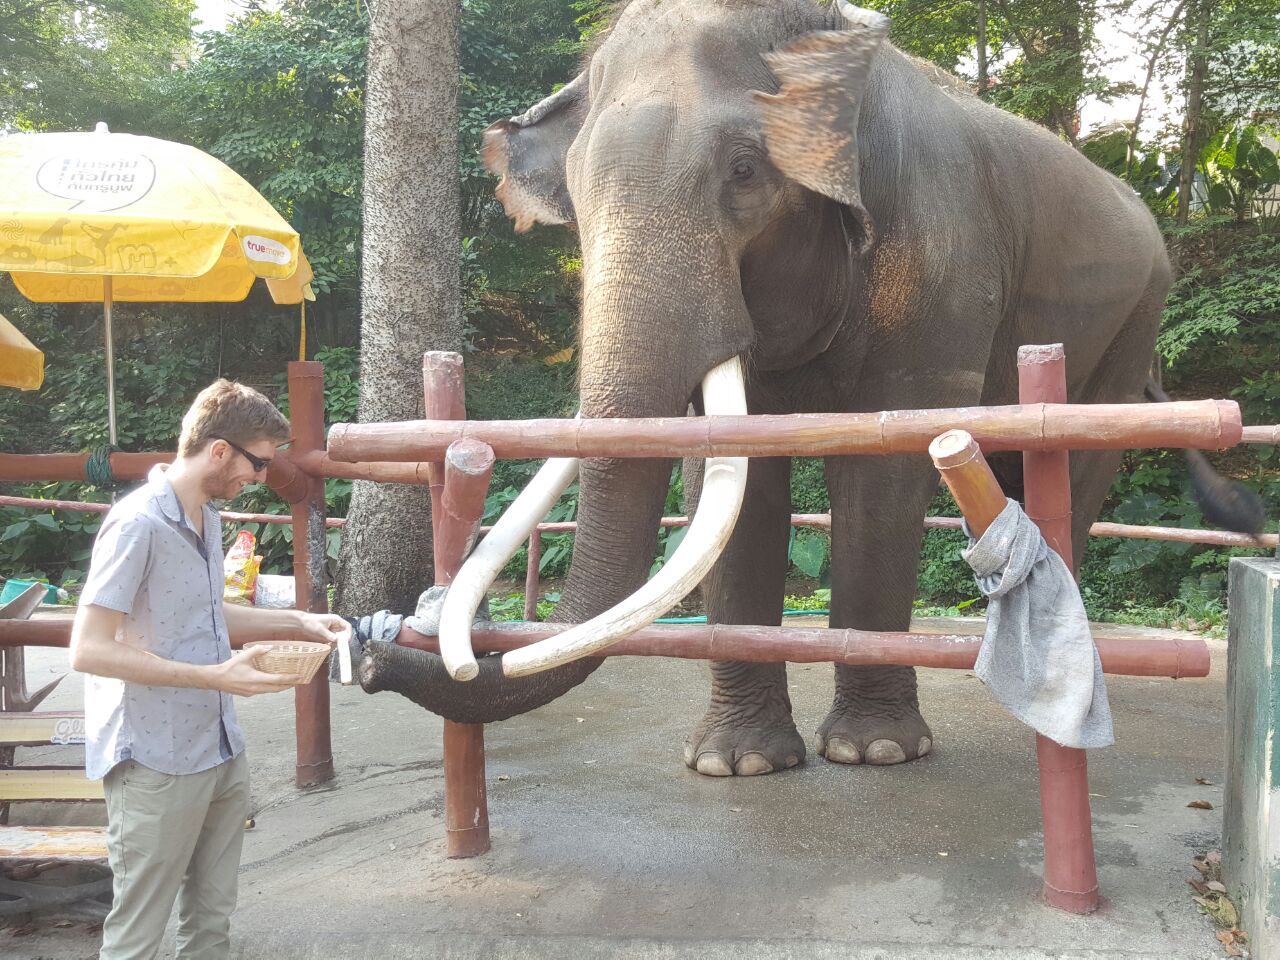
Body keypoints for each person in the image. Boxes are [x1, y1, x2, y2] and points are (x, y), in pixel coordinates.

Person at [69, 379, 352, 960]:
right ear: (220, 450)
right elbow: (88, 649)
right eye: (259, 463)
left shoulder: (209, 517)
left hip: (220, 747)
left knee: (212, 921)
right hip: (155, 758)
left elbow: (204, 613)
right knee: (138, 935)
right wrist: (215, 677)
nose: (263, 476)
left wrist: (300, 621)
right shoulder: (137, 524)